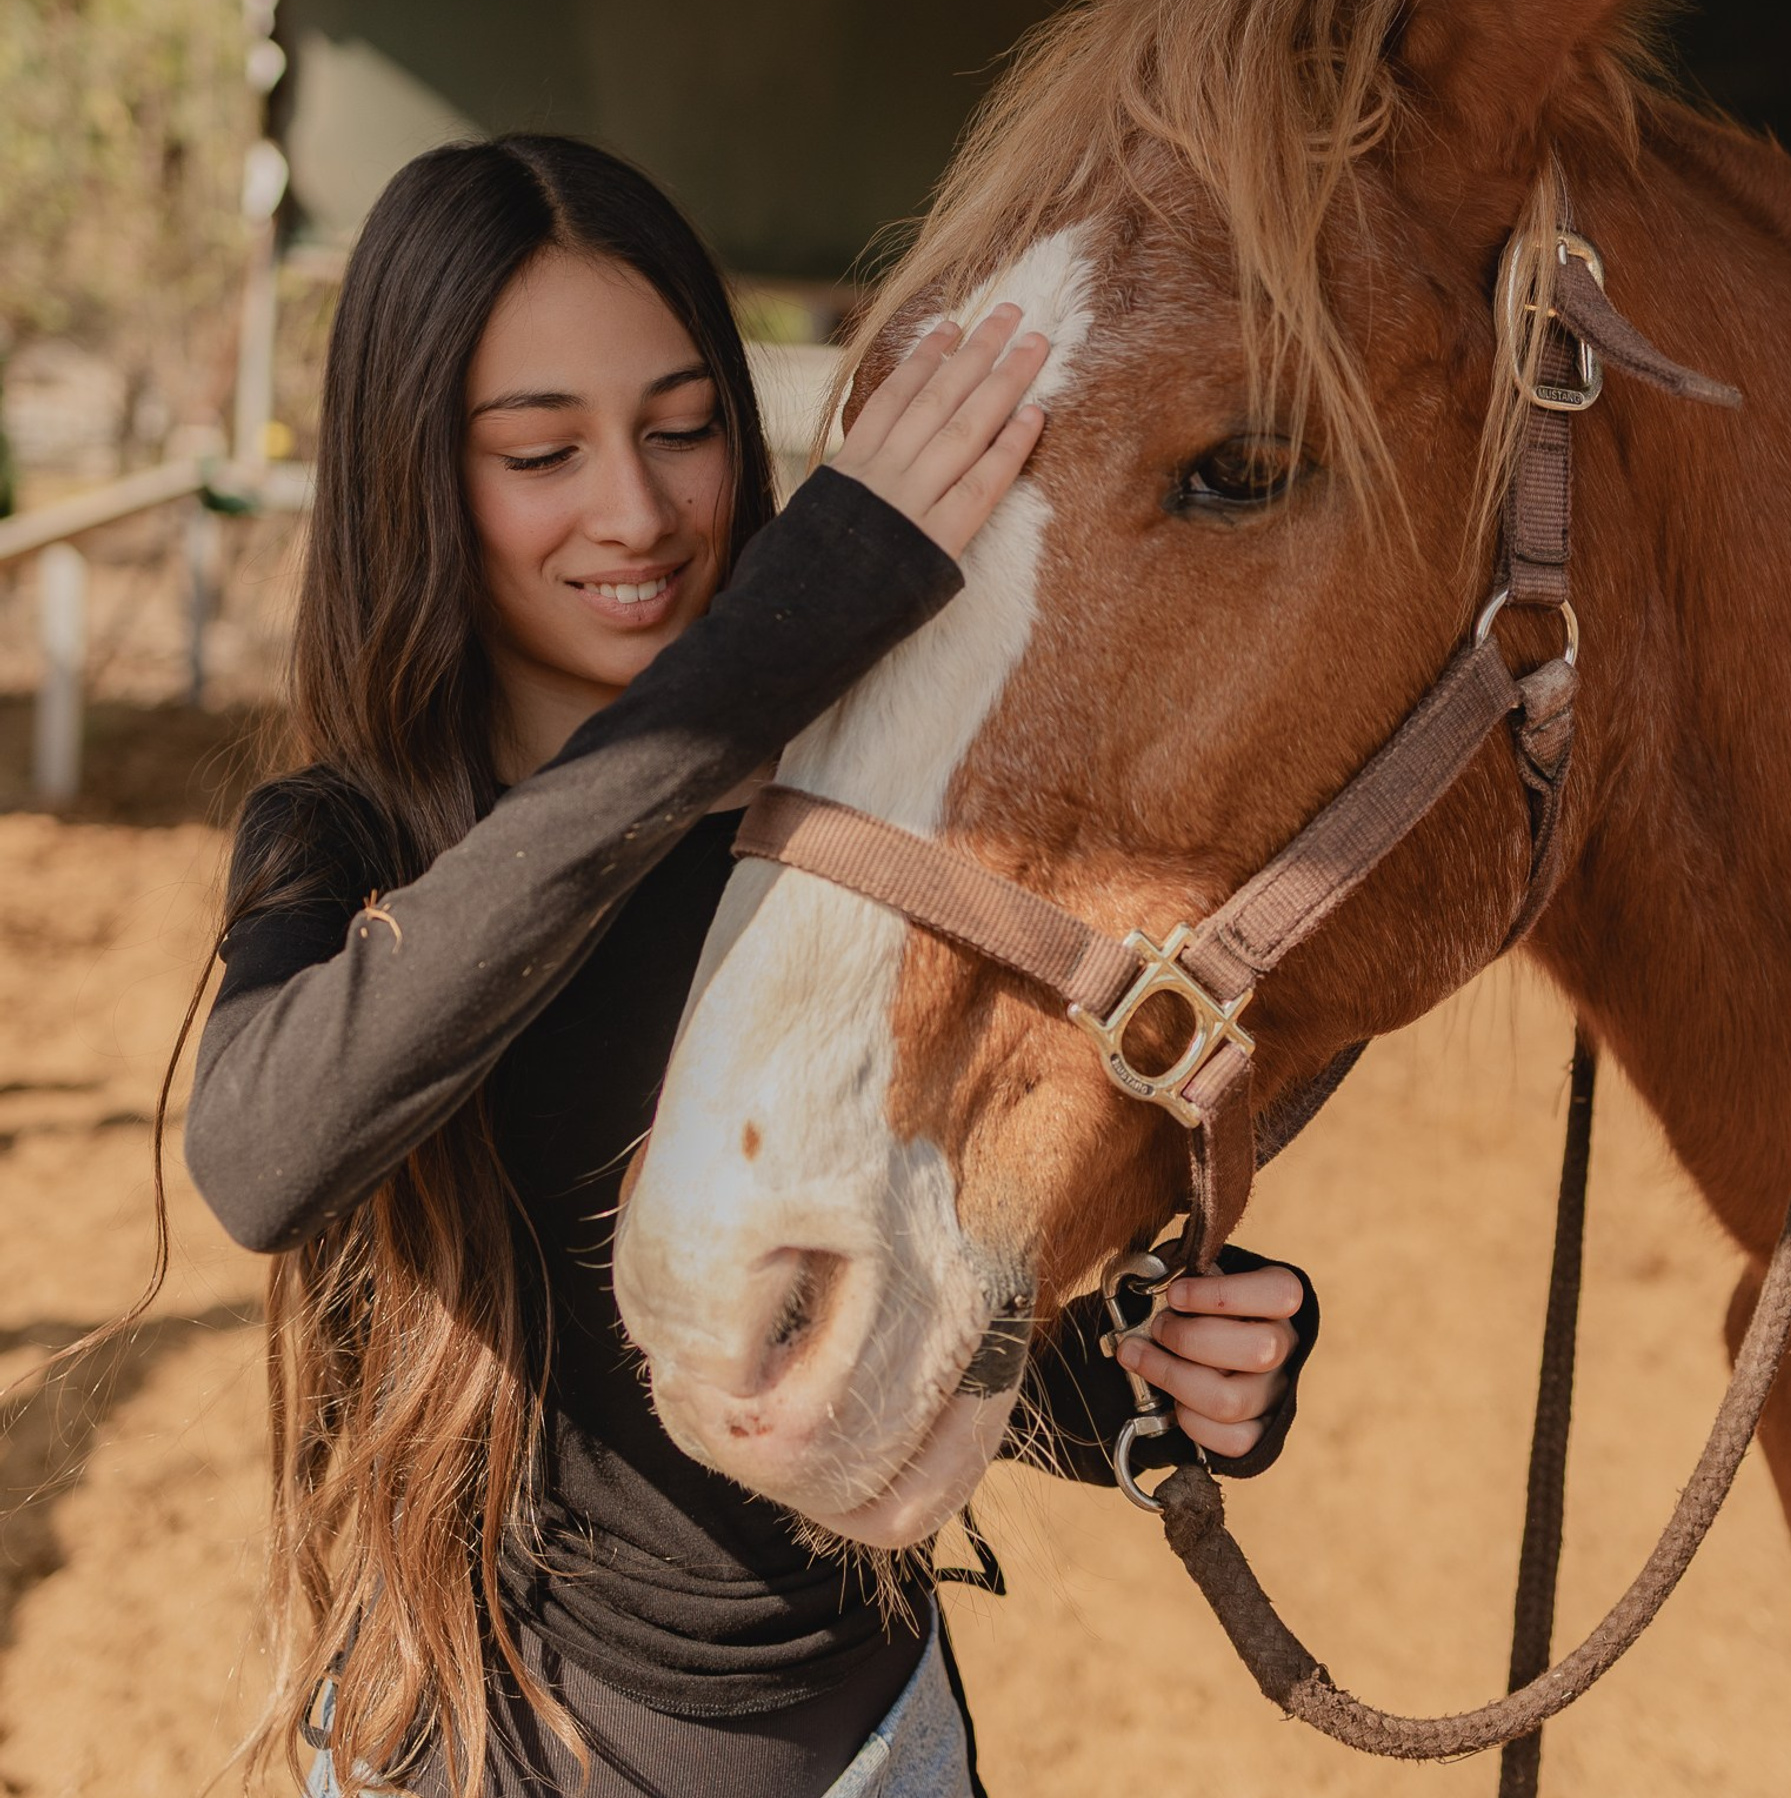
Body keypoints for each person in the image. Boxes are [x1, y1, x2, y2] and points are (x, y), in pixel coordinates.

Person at [182, 135, 1318, 1798]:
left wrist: (1148, 1381)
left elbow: (857, 1328)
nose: (636, 511)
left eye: (683, 426)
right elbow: (258, 1155)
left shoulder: (862, 828)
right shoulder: (340, 841)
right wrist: (756, 659)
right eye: (540, 452)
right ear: (419, 478)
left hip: (879, 1753)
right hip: (482, 1755)